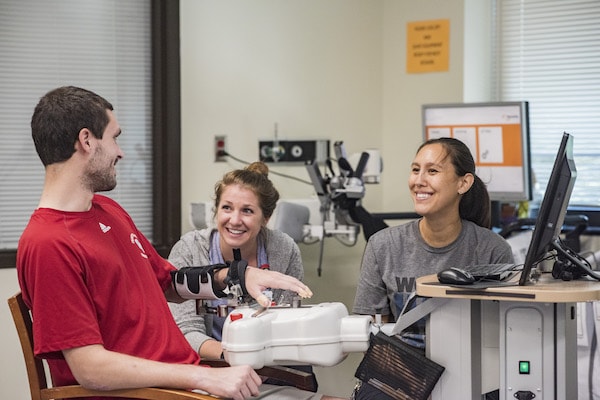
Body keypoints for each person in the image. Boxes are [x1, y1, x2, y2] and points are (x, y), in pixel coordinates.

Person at [16, 86, 344, 400]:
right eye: (115, 138)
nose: (120, 151)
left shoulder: (106, 210)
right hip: (158, 394)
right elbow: (90, 369)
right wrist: (205, 376)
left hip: (186, 385)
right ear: (86, 141)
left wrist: (239, 277)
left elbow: (169, 283)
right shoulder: (49, 244)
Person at [351, 137, 514, 397]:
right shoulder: (383, 245)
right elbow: (369, 327)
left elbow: (506, 331)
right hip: (402, 369)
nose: (419, 180)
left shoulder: (491, 250)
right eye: (416, 170)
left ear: (464, 183)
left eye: (433, 171)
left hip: (472, 365)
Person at [168, 161, 317, 388]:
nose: (235, 220)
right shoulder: (190, 250)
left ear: (265, 218)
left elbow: (284, 326)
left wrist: (257, 362)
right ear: (216, 210)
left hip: (273, 365)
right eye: (227, 208)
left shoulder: (283, 249)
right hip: (211, 367)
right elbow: (186, 331)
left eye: (247, 210)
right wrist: (236, 356)